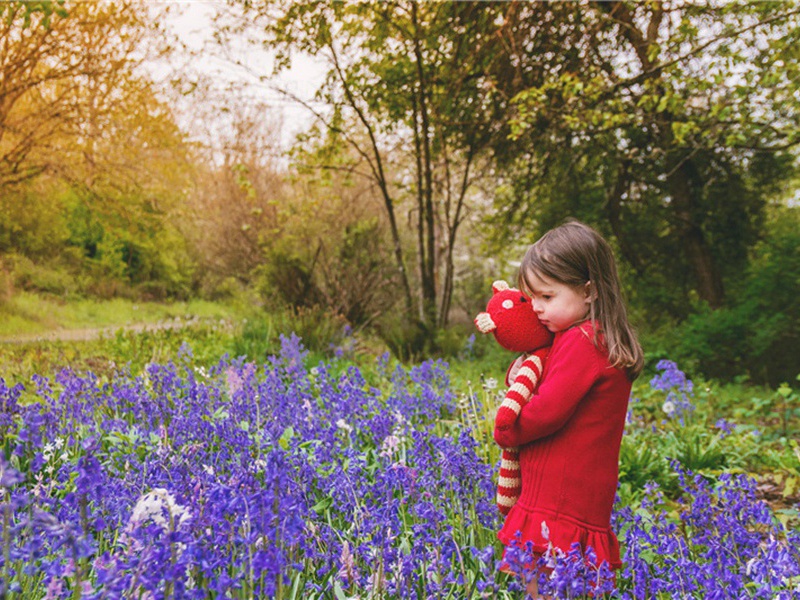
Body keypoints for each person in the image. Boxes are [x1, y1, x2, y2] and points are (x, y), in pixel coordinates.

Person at [494, 220, 644, 599]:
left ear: (589, 290)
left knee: (544, 587)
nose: (538, 310)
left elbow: (547, 411)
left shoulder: (583, 341)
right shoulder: (596, 338)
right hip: (579, 496)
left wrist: (508, 429)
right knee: (573, 585)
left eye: (547, 297)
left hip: (558, 499)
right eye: (531, 300)